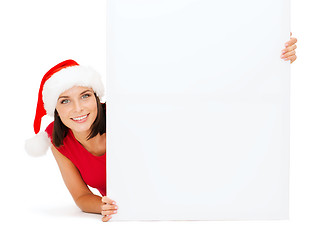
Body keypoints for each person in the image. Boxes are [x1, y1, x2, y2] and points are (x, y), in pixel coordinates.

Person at [25, 34, 298, 222]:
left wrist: (271, 53)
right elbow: (82, 196)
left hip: (191, 187)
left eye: (85, 96)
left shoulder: (124, 112)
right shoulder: (56, 140)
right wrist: (101, 205)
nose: (78, 109)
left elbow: (201, 90)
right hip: (138, 214)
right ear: (56, 110)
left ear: (97, 97)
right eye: (65, 101)